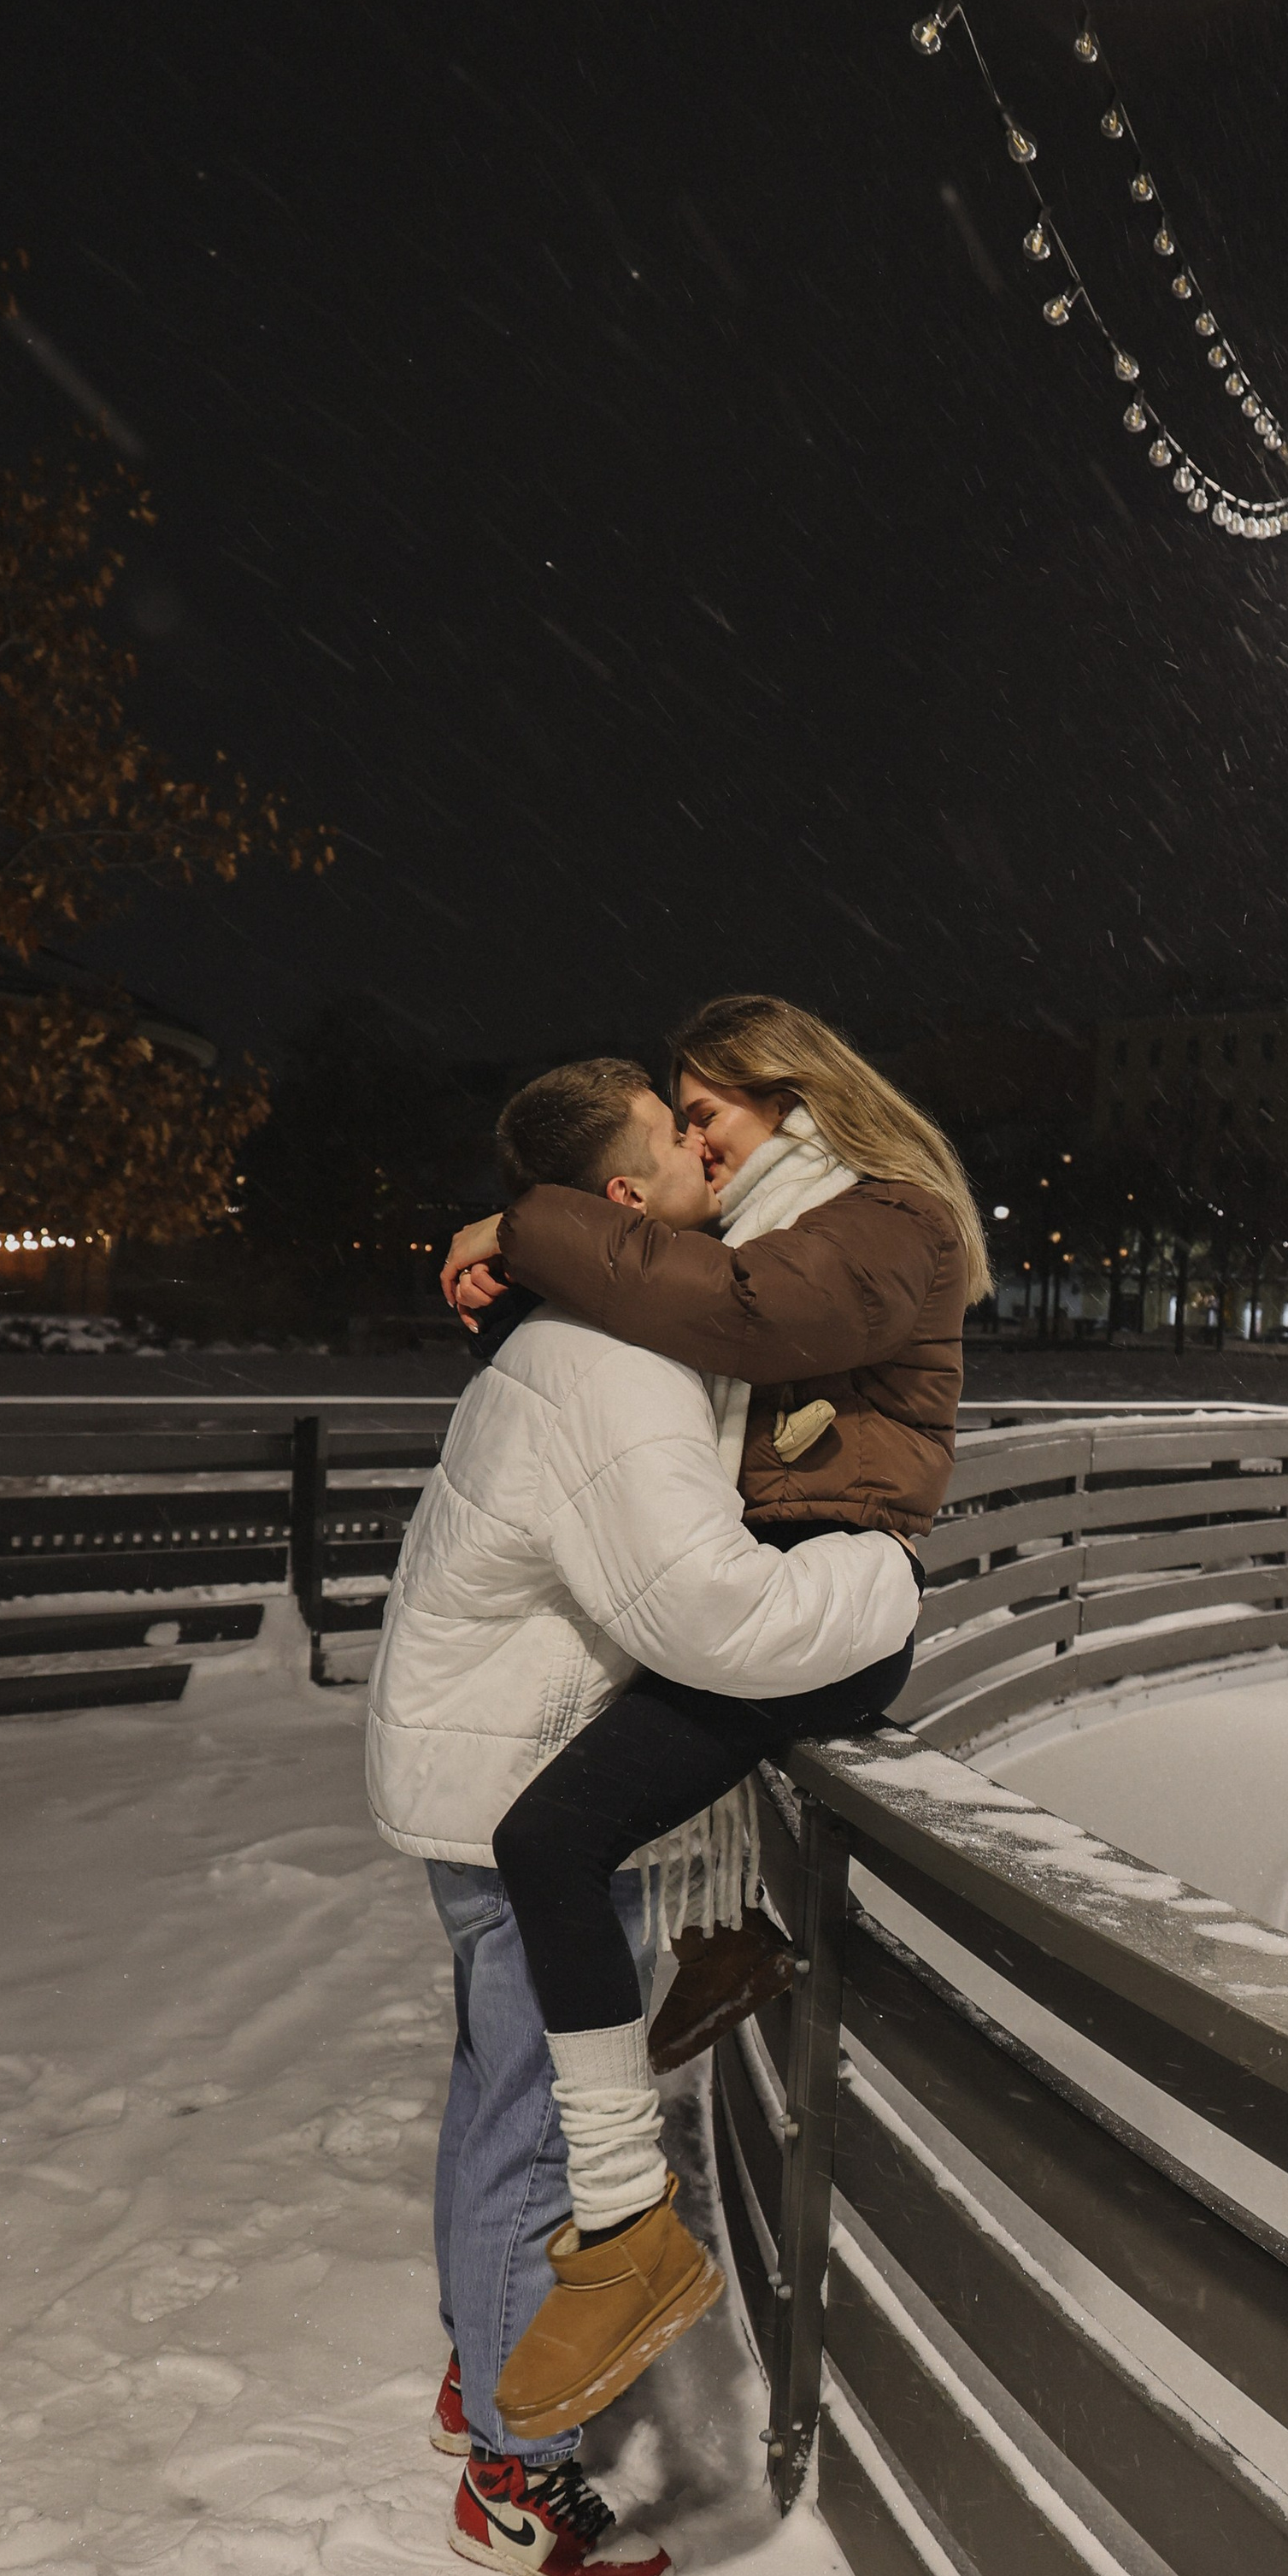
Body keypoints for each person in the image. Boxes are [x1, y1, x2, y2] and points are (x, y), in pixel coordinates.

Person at [368, 1055, 919, 2576]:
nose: (704, 1153)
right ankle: (514, 2482)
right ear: (624, 1202)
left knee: (500, 2103)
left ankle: (481, 2394)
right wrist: (878, 1580)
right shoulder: (612, 1365)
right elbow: (705, 1614)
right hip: (510, 1789)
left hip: (470, 1765)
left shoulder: (589, 1324)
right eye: (678, 1142)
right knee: (538, 2131)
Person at [439, 993, 985, 2438]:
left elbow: (744, 1320)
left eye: (707, 1114)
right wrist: (521, 1245)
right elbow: (657, 1286)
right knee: (570, 1830)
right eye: (677, 1125)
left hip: (828, 1604)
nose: (694, 1142)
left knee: (549, 1838)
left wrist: (528, 1222)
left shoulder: (891, 1217)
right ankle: (726, 1942)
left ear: (792, 1094)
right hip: (783, 1587)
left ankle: (629, 2232)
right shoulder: (783, 1220)